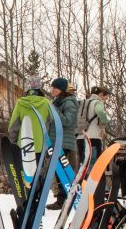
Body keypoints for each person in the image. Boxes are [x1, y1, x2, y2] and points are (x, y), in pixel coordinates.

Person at [47, 77, 80, 208]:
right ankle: (62, 199)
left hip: (64, 142)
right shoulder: (57, 102)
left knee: (62, 171)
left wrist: (54, 111)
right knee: (57, 171)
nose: (52, 90)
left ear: (61, 89)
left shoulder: (69, 103)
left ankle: (63, 200)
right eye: (52, 87)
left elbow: (67, 121)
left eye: (55, 88)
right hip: (56, 142)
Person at [7, 78, 54, 153]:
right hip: (41, 145)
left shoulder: (20, 103)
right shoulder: (47, 103)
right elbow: (52, 123)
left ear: (27, 88)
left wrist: (13, 141)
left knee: (24, 164)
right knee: (38, 165)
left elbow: (13, 125)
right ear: (40, 88)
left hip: (24, 145)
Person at [78, 85, 111, 166]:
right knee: (95, 163)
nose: (105, 100)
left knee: (83, 163)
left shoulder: (83, 102)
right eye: (105, 97)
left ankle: (82, 178)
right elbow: (99, 111)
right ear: (100, 94)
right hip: (94, 137)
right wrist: (105, 121)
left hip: (80, 136)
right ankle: (94, 179)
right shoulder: (97, 102)